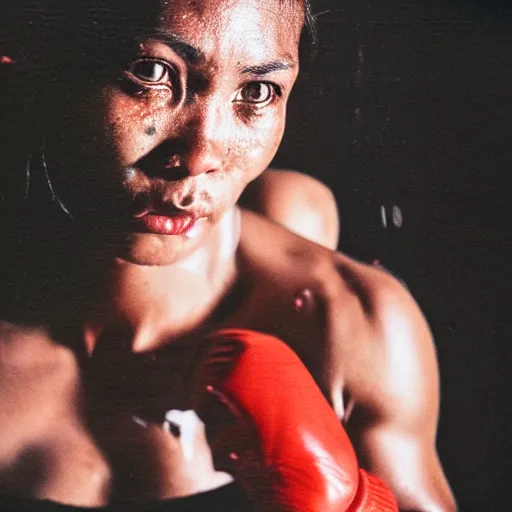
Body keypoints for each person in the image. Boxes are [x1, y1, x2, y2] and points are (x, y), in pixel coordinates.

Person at [0, 0, 455, 510]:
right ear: (31, 71)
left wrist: (354, 504)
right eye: (151, 72)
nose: (201, 156)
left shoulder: (344, 324)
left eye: (258, 91)